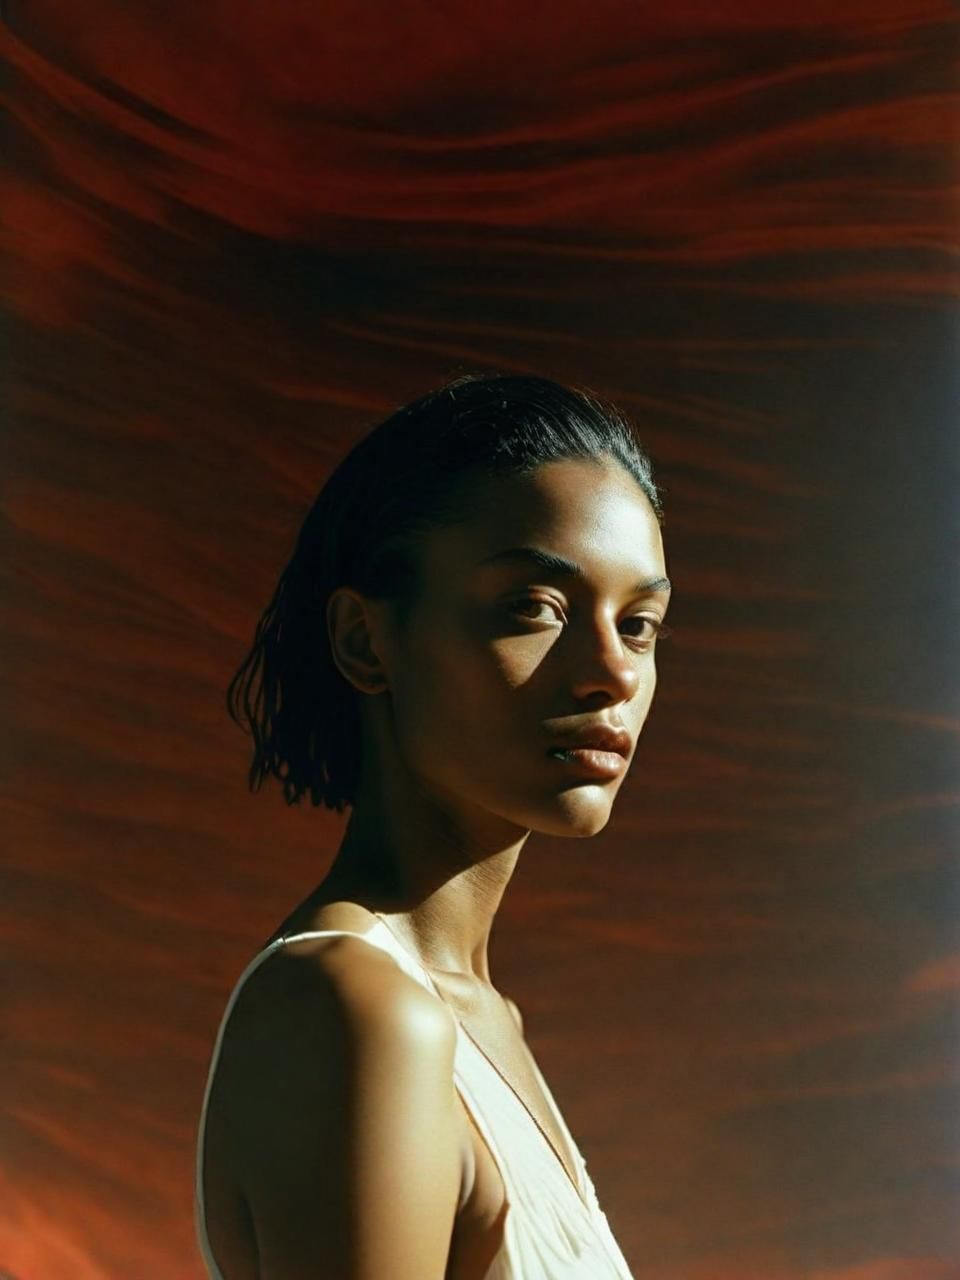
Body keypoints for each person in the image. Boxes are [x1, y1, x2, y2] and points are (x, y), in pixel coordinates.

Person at [194, 372, 672, 1279]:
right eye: (536, 608)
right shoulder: (352, 1011)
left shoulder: (480, 1022)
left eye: (641, 623)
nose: (611, 671)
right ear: (366, 642)